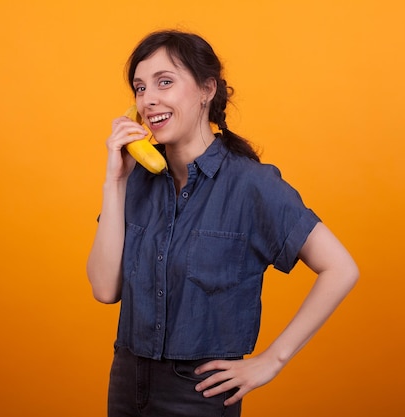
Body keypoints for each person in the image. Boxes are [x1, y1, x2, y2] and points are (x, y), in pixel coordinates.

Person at [87, 29, 359, 417]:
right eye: (140, 88)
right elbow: (103, 288)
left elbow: (341, 267)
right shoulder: (135, 182)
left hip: (197, 395)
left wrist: (271, 360)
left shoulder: (252, 185)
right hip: (126, 381)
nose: (148, 100)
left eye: (165, 82)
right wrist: (115, 182)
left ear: (206, 89)